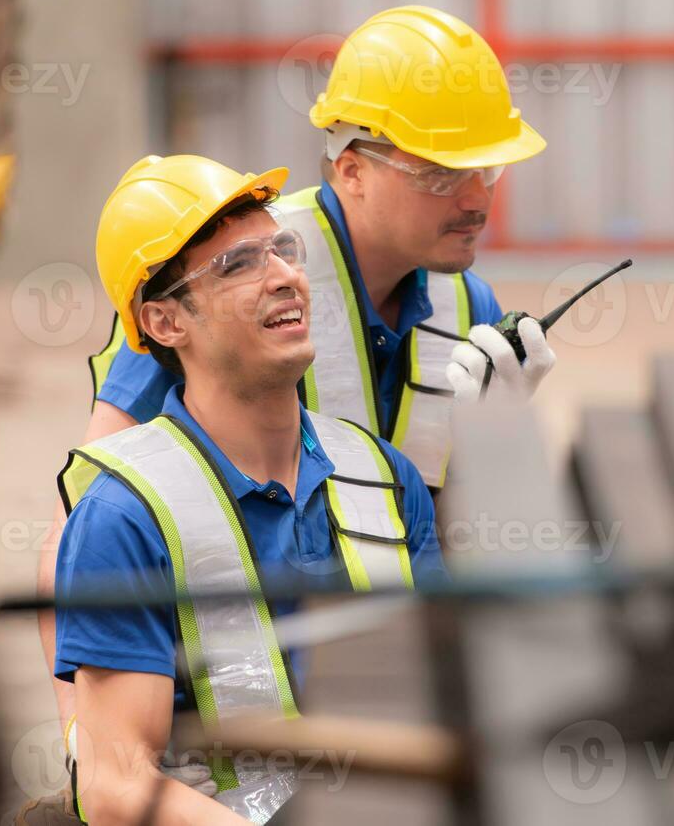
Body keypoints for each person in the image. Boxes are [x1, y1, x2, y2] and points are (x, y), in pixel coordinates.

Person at [38, 4, 557, 771]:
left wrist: (500, 444)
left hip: (357, 702)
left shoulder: (463, 306)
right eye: (443, 172)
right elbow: (79, 537)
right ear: (351, 168)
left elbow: (427, 541)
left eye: (488, 168)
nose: (478, 199)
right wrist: (94, 753)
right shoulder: (209, 291)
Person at [48, 154, 446, 824]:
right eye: (239, 265)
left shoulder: (383, 476)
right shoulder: (125, 516)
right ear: (165, 322)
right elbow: (116, 785)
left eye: (283, 250)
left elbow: (442, 698)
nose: (287, 276)